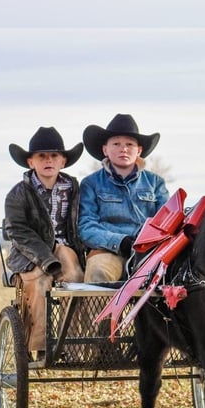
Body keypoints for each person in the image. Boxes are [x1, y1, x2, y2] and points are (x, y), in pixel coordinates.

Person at [4, 126, 85, 360]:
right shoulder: (18, 194)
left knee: (75, 282)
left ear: (63, 161)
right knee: (39, 283)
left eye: (53, 156)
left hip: (66, 249)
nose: (48, 160)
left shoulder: (74, 189)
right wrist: (45, 258)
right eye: (41, 156)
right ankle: (40, 346)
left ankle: (68, 345)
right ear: (31, 162)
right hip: (30, 253)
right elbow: (17, 231)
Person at [79, 113, 170, 282]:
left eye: (130, 144)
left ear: (139, 151)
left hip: (149, 253)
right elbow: (86, 227)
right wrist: (121, 242)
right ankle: (97, 310)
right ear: (105, 149)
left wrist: (146, 243)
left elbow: (166, 221)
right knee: (99, 272)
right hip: (107, 251)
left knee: (176, 276)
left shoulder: (156, 183)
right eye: (116, 144)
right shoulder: (90, 183)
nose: (124, 148)